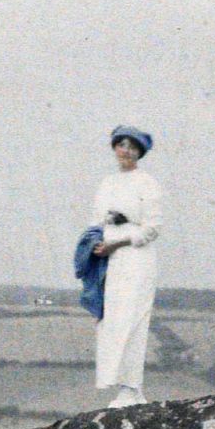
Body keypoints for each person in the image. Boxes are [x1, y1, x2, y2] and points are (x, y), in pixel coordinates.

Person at [90, 125, 163, 408]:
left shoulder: (147, 183)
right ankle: (120, 386)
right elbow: (96, 221)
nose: (126, 151)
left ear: (140, 152)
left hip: (136, 257)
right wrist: (97, 248)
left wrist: (117, 243)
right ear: (114, 147)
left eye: (132, 147)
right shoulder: (107, 182)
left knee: (133, 319)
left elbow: (152, 228)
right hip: (110, 260)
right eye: (121, 145)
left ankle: (133, 388)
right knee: (112, 320)